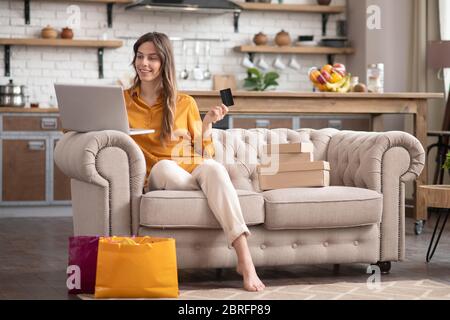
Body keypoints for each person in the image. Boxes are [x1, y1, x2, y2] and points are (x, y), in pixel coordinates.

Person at [124, 32, 265, 292]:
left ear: (164, 62)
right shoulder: (123, 101)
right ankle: (214, 197)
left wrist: (208, 122)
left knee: (213, 168)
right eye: (140, 57)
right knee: (166, 166)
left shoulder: (184, 102)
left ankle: (245, 260)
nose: (144, 63)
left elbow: (205, 153)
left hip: (190, 167)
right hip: (159, 173)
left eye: (152, 58)